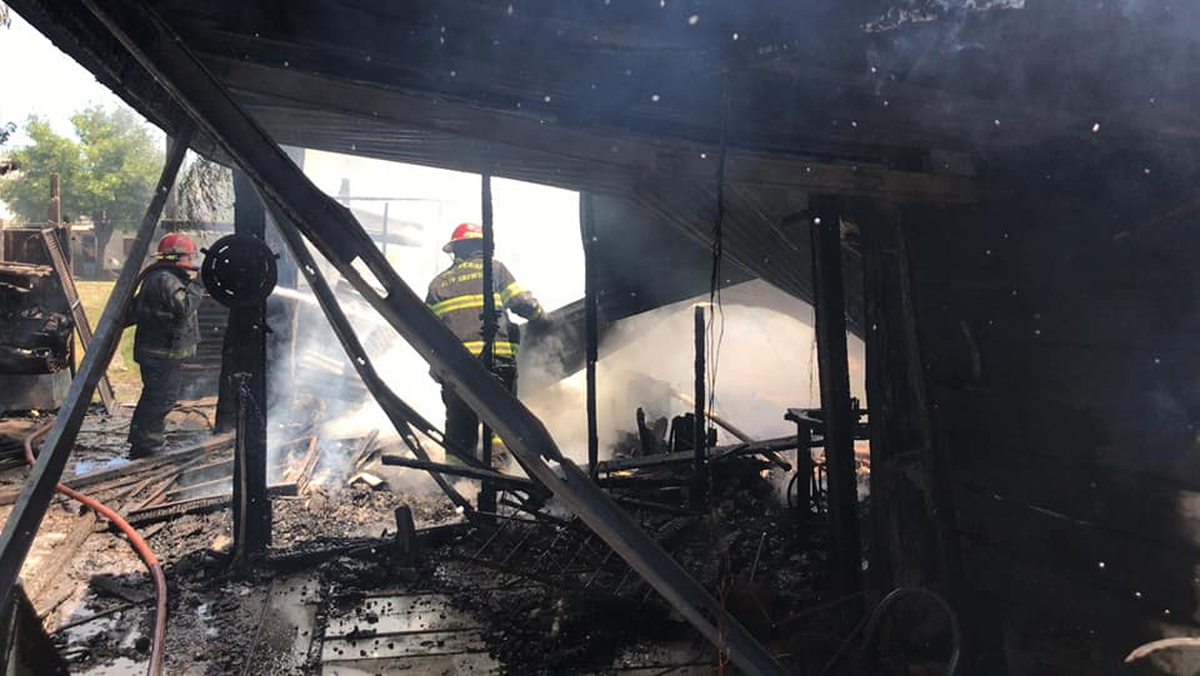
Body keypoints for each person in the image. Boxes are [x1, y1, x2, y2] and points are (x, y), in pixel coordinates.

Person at [426, 222, 544, 462]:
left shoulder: (437, 284)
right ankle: (500, 475)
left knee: (460, 424)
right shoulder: (494, 269)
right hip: (496, 359)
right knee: (503, 420)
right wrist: (540, 316)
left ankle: (458, 481)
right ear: (484, 246)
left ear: (456, 250)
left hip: (455, 367)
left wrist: (435, 366)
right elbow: (521, 303)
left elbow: (426, 331)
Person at [126, 233, 205, 459]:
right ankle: (148, 446)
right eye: (188, 256)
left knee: (156, 396)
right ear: (176, 257)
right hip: (160, 353)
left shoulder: (163, 277)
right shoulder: (165, 280)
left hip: (160, 351)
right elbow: (184, 307)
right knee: (160, 397)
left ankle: (143, 441)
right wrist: (199, 283)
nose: (191, 261)